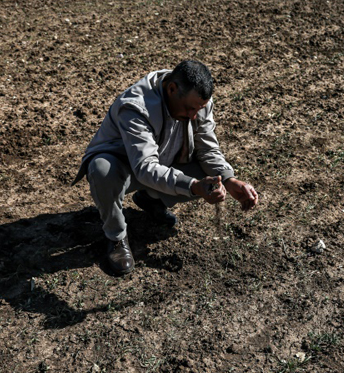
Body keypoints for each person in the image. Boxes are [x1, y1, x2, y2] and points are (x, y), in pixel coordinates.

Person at [73, 60, 258, 275]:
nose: (193, 115)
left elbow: (207, 148)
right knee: (101, 169)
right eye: (190, 109)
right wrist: (193, 185)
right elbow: (145, 167)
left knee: (212, 177)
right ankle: (116, 237)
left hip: (163, 160)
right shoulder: (135, 106)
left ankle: (151, 199)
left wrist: (228, 179)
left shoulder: (195, 100)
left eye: (199, 109)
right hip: (127, 166)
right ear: (171, 89)